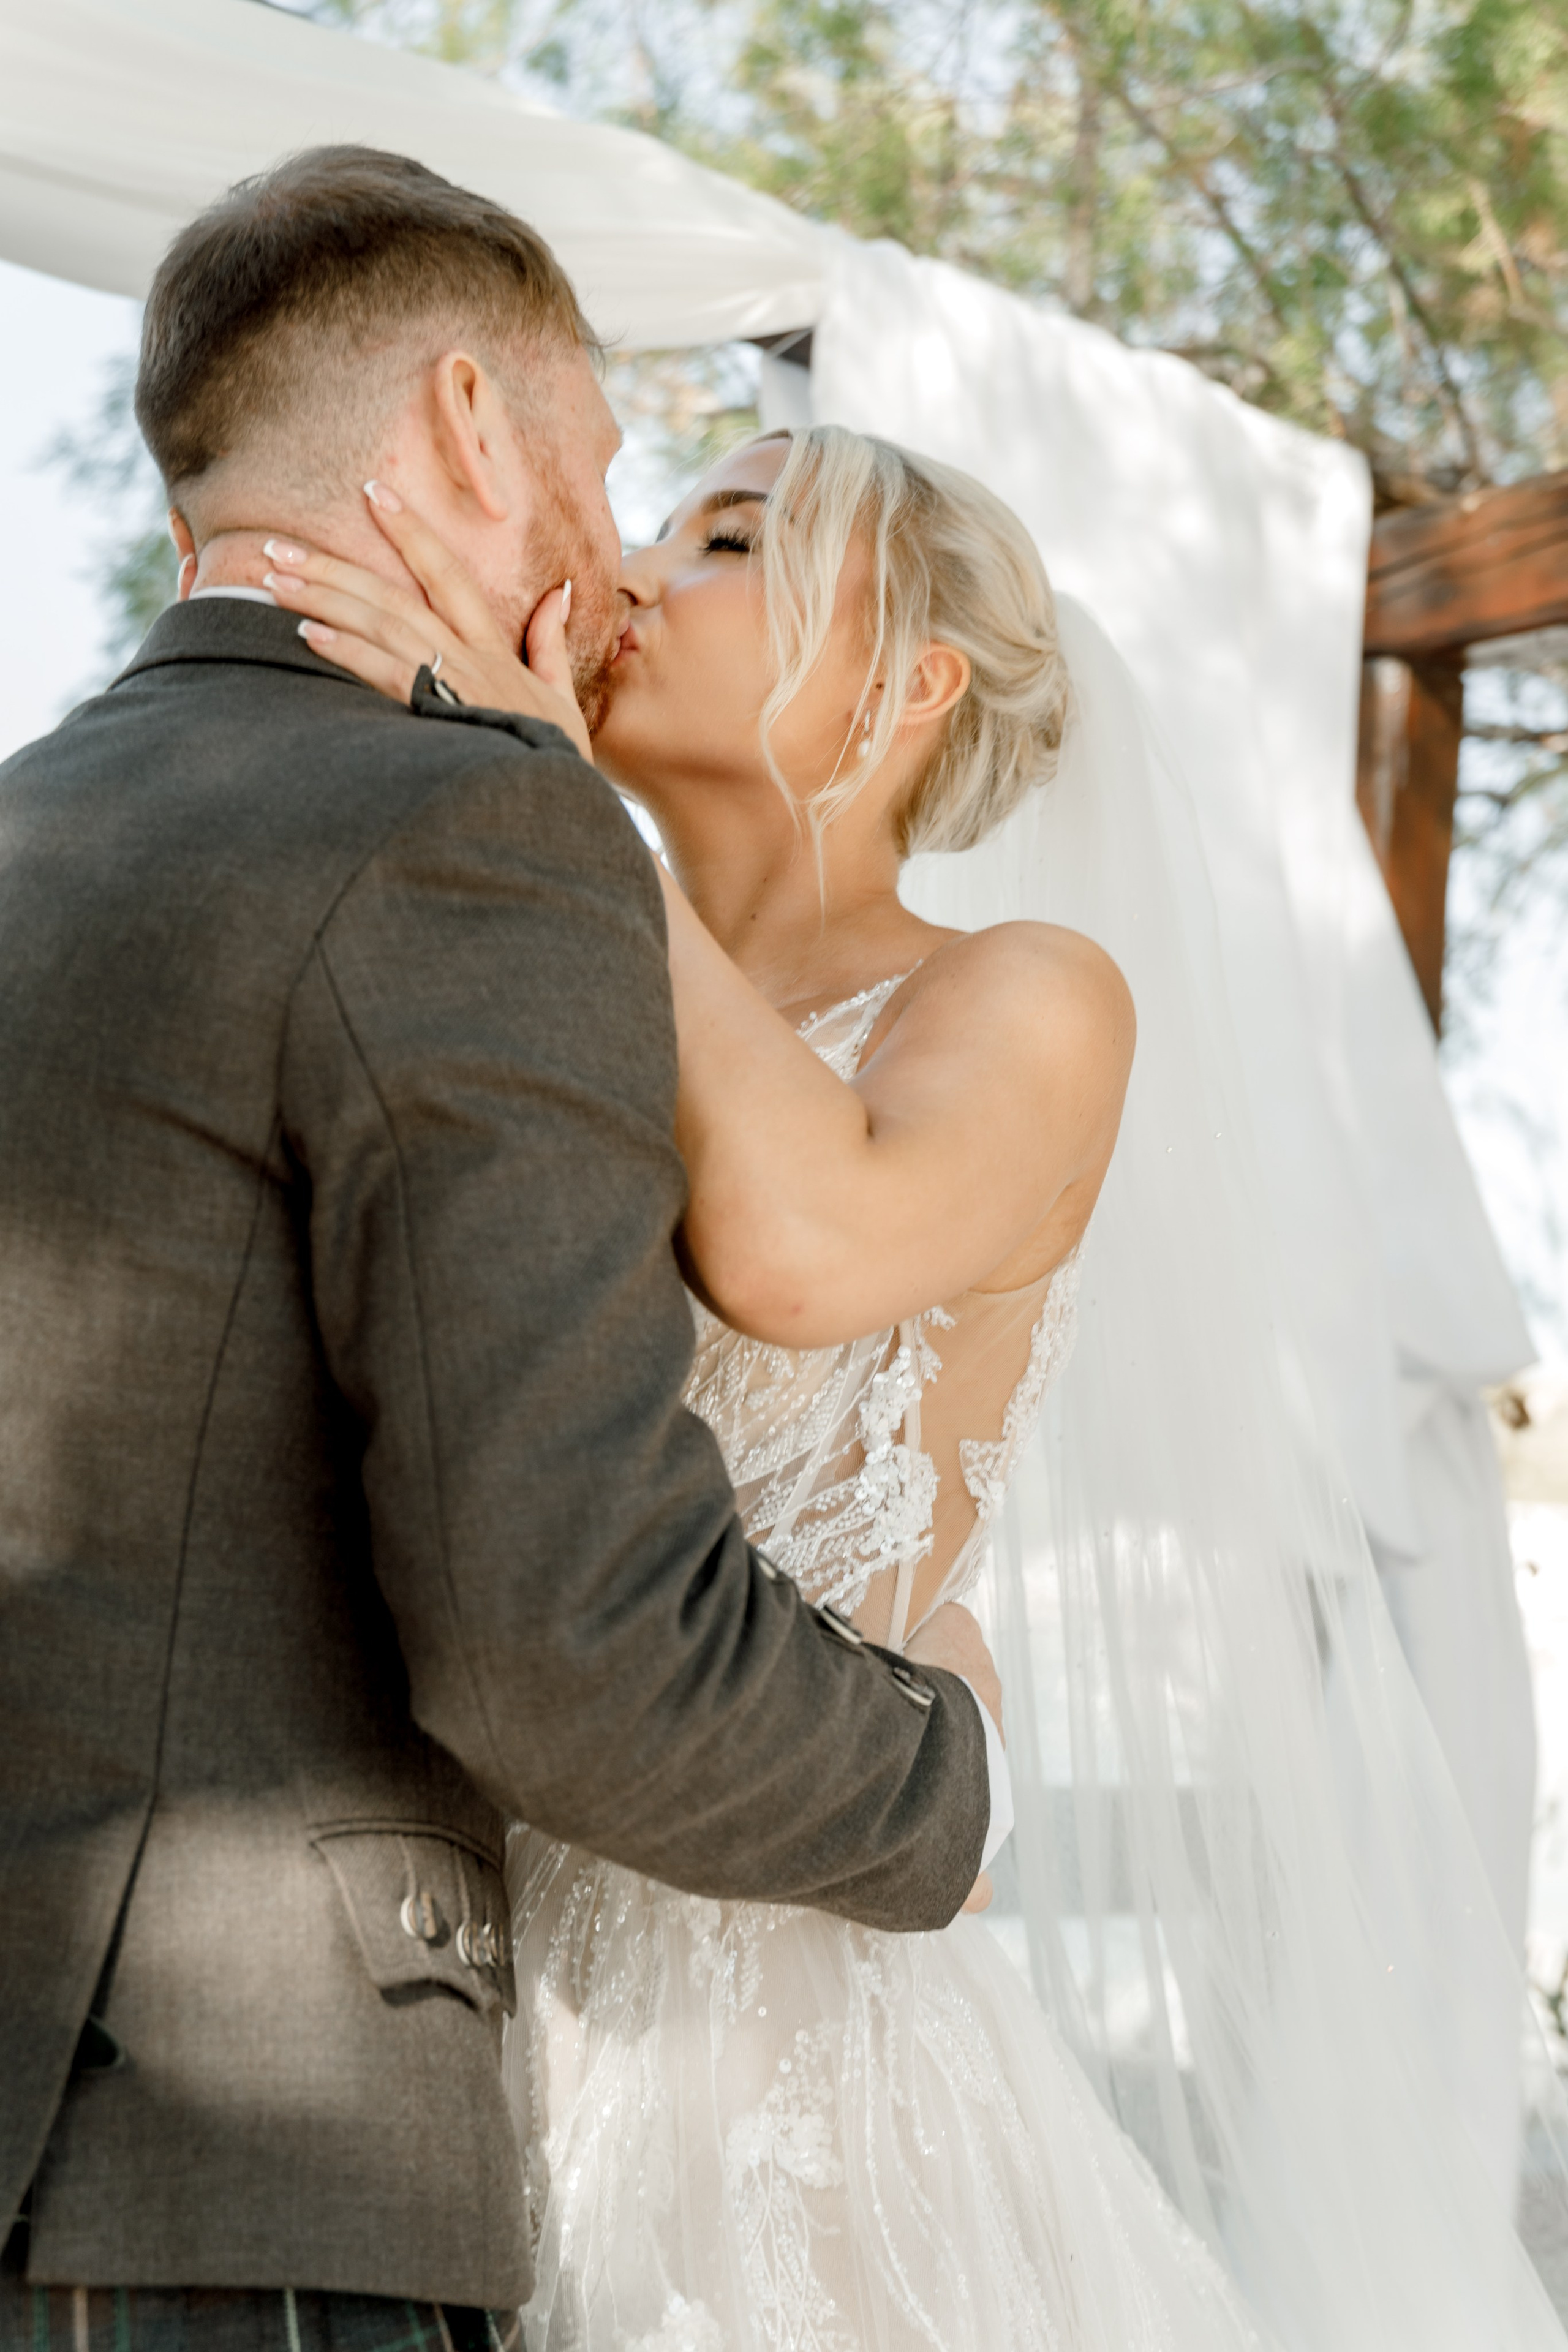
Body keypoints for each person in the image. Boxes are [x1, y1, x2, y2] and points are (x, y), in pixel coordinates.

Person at [273, 415, 1568, 2351]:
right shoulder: (549, 994)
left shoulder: (1029, 995)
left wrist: (556, 796)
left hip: (789, 2035)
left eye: (726, 541)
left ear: (908, 682)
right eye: (656, 527)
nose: (631, 576)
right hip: (458, 1986)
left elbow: (807, 1250)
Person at [0, 150, 1010, 2352]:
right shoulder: (470, 828)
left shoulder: (31, 827)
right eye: (620, 467)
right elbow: (566, 1639)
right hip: (240, 2183)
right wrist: (959, 1781)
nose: (623, 558)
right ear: (470, 423)